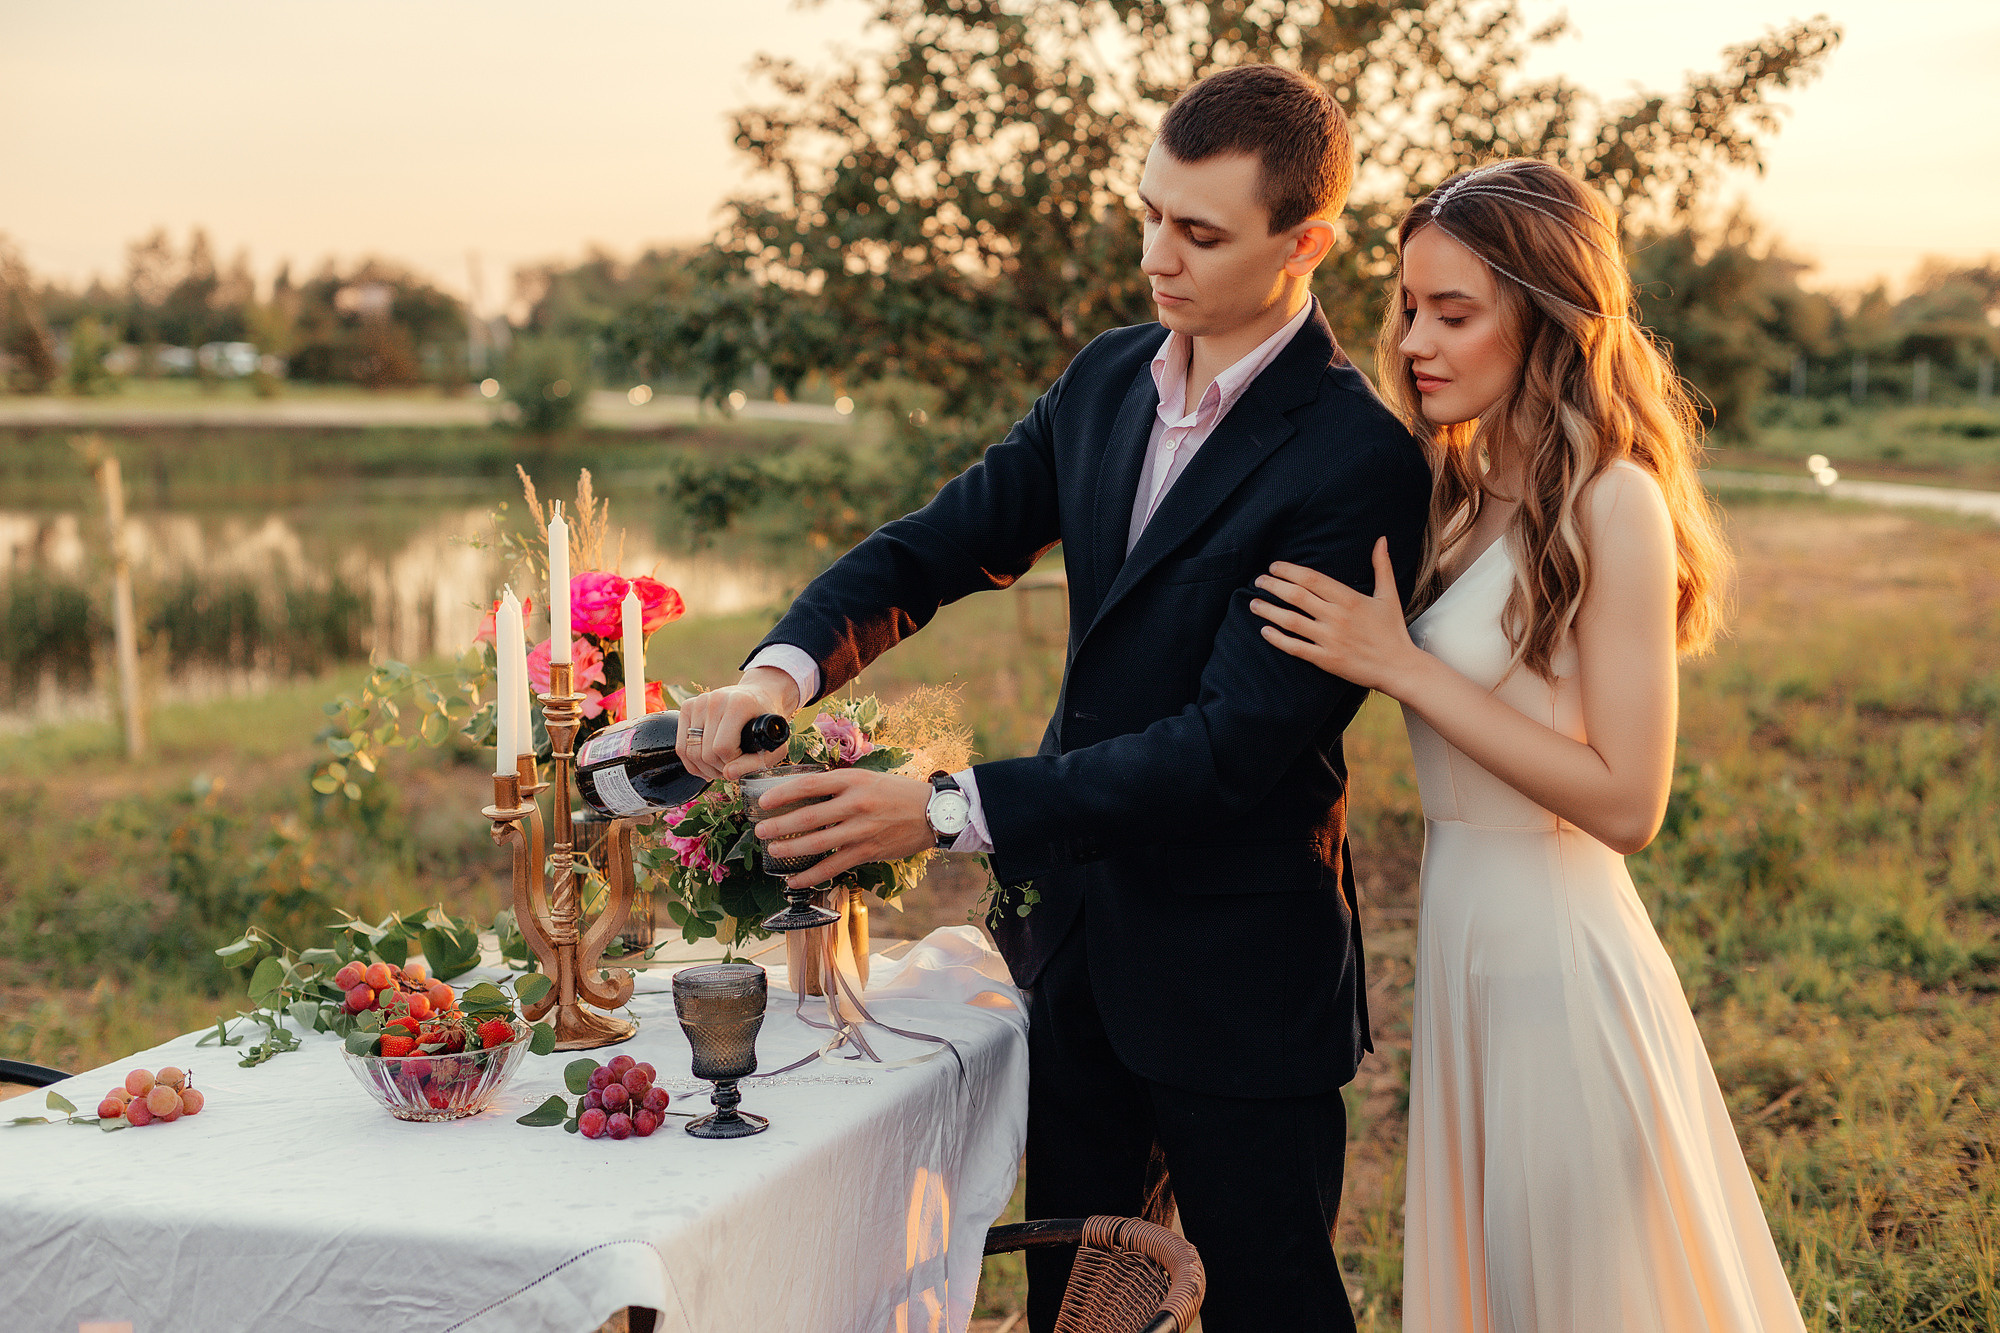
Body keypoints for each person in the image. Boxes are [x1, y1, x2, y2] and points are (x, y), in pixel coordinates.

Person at [671, 64, 1430, 1333]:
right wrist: (777, 669)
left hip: (1236, 969)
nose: (1156, 257)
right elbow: (932, 547)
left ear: (1308, 244)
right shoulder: (1104, 379)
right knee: (1076, 1313)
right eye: (1147, 214)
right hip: (1072, 945)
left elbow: (1224, 750)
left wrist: (942, 808)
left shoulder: (1357, 461)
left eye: (1199, 232)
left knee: (1274, 1306)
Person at [1249, 159, 1808, 1331]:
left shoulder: (1613, 501)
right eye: (1407, 306)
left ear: (1547, 322)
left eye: (1454, 313)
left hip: (1558, 951)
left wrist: (1398, 663)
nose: (1413, 339)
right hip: (1458, 942)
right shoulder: (1450, 492)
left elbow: (1626, 803)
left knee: (1583, 1285)